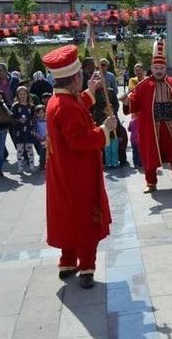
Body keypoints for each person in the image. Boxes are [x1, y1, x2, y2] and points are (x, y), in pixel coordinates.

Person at [43, 45, 114, 289]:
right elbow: (80, 139)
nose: (83, 77)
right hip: (78, 174)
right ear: (74, 78)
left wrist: (90, 92)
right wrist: (105, 130)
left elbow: (73, 108)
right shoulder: (68, 107)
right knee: (85, 219)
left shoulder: (57, 100)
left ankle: (67, 262)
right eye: (81, 76)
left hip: (62, 172)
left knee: (68, 216)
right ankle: (86, 268)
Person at [128, 52, 172, 193]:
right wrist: (127, 101)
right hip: (152, 125)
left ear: (165, 69)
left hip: (171, 124)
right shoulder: (143, 85)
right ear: (151, 68)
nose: (158, 71)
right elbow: (135, 101)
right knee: (150, 153)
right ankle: (151, 183)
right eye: (156, 68)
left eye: (161, 68)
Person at [12, 86, 36, 173]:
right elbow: (12, 118)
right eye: (20, 94)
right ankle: (20, 167)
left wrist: (33, 129)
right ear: (17, 95)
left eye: (24, 94)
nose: (23, 96)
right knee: (20, 149)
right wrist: (19, 120)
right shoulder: (15, 106)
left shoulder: (31, 106)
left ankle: (32, 166)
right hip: (19, 131)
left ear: (27, 94)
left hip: (29, 130)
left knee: (29, 148)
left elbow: (34, 118)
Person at [34, 105, 47, 170]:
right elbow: (35, 130)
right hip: (40, 139)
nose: (40, 114)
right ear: (36, 114)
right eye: (38, 113)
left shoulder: (48, 120)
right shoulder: (36, 121)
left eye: (42, 112)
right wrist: (39, 136)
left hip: (48, 138)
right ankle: (42, 164)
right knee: (42, 152)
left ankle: (48, 163)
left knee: (48, 152)